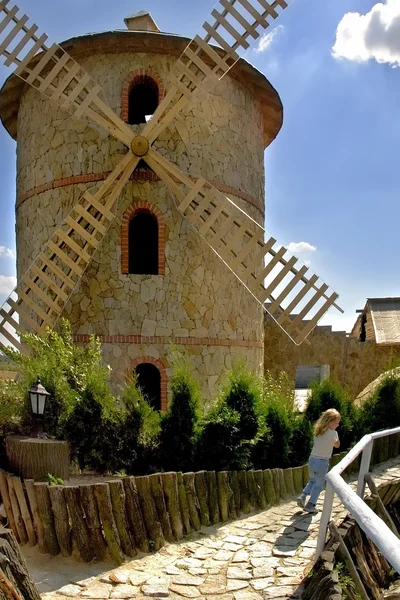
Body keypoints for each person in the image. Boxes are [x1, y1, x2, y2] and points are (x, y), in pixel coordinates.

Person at [297, 408, 341, 514]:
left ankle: (303, 496)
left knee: (312, 480)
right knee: (319, 484)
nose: (338, 425)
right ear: (330, 422)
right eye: (336, 423)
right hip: (322, 462)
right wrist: (336, 438)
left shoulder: (318, 431)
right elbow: (337, 445)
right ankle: (311, 504)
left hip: (312, 460)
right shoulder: (333, 433)